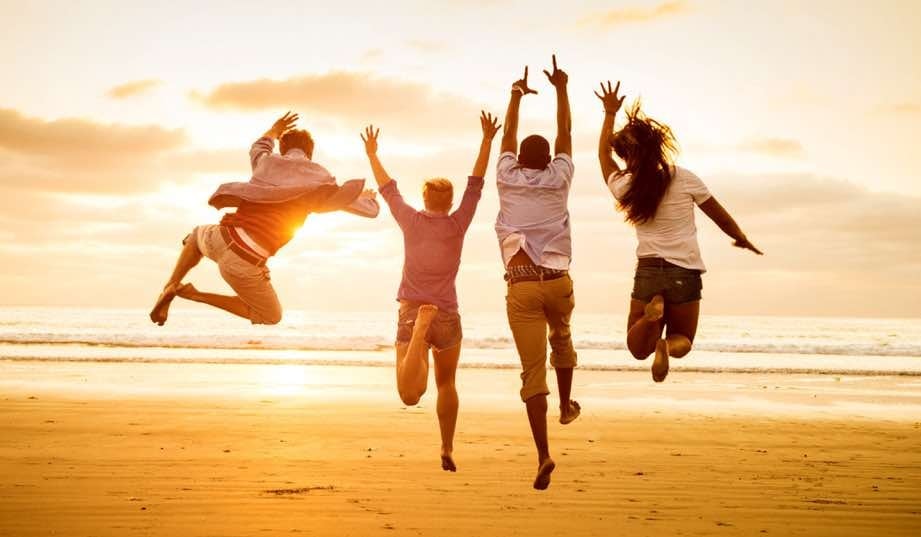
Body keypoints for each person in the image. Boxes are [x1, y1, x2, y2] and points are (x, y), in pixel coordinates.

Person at [359, 111, 500, 472]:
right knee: (447, 383)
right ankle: (447, 446)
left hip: (412, 312)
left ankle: (420, 334)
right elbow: (476, 183)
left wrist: (373, 153)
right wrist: (487, 140)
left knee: (410, 394)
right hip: (447, 314)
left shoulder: (410, 219)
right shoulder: (458, 221)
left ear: (423, 199)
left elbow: (388, 188)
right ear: (450, 203)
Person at [594, 80, 763, 382]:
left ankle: (651, 315)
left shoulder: (625, 185)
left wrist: (608, 114)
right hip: (684, 272)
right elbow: (719, 216)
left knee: (637, 348)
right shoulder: (683, 178)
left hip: (648, 270)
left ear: (626, 156)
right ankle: (666, 346)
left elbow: (603, 158)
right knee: (683, 339)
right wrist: (741, 238)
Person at [149, 112, 379, 326]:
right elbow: (370, 211)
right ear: (310, 153)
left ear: (282, 149)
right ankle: (191, 294)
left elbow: (258, 146)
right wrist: (366, 197)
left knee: (197, 233)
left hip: (220, 237)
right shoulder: (320, 180)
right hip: (245, 262)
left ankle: (170, 285)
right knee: (270, 316)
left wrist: (274, 130)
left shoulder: (267, 163)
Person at [495, 55, 580, 491]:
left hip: (522, 286)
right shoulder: (560, 176)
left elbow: (506, 137)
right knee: (561, 337)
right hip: (558, 283)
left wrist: (515, 96)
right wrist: (561, 88)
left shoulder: (506, 177)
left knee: (532, 371)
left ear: (520, 160)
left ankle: (544, 454)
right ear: (548, 159)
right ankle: (567, 405)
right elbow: (565, 133)